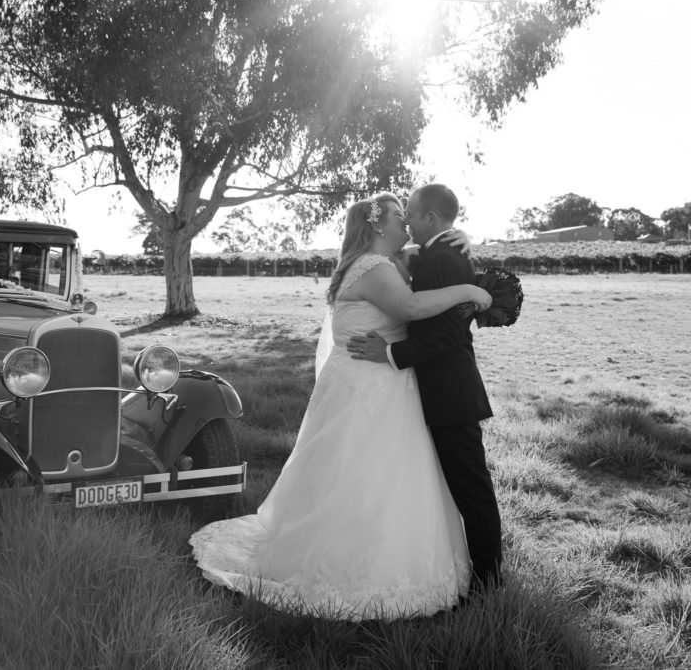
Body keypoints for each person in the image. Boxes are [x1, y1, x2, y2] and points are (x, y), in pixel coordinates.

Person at [189, 193, 492, 621]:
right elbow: (410, 307)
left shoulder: (383, 262)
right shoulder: (374, 268)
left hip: (373, 384)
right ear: (377, 226)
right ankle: (352, 559)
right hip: (369, 386)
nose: (405, 222)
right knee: (363, 473)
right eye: (397, 216)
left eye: (408, 216)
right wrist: (471, 290)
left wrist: (457, 235)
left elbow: (425, 254)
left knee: (375, 472)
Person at [347, 184, 503, 594]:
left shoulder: (445, 259)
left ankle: (490, 580)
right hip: (435, 390)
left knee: (472, 489)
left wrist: (393, 353)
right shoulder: (431, 255)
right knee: (453, 485)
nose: (408, 222)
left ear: (431, 219)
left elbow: (449, 335)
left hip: (451, 393)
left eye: (411, 215)